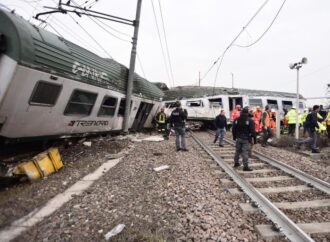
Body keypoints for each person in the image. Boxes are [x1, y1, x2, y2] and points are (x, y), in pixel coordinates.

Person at [232, 106, 255, 171]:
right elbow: (252, 131)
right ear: (247, 113)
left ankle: (236, 163)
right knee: (245, 152)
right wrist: (254, 139)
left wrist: (234, 137)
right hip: (246, 138)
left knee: (237, 151)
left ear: (241, 112)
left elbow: (233, 129)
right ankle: (245, 167)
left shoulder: (236, 119)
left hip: (238, 138)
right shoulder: (249, 120)